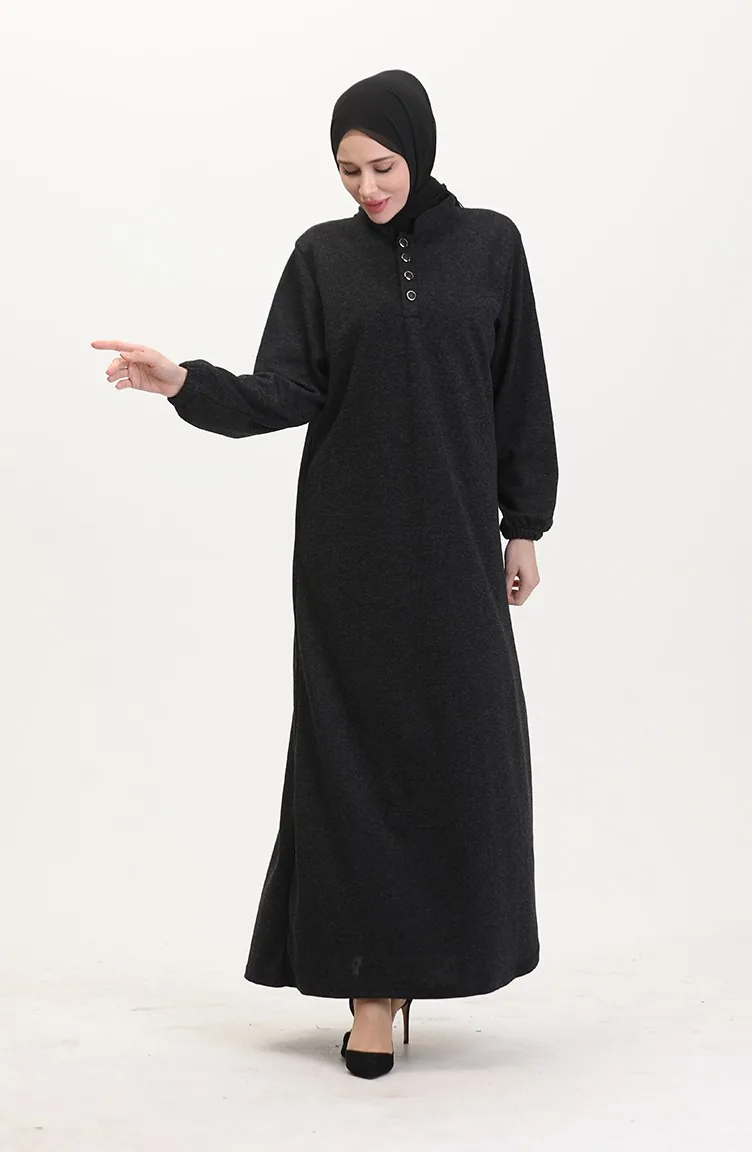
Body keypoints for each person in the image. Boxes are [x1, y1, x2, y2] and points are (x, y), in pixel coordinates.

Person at [91, 68, 558, 1080]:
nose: (366, 188)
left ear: (417, 150)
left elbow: (518, 387)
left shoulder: (491, 246)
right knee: (352, 762)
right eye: (347, 171)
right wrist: (183, 382)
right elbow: (285, 389)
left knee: (463, 749)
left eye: (381, 166)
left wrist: (523, 525)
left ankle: (442, 957)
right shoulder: (321, 257)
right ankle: (370, 991)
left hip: (454, 549)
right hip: (348, 554)